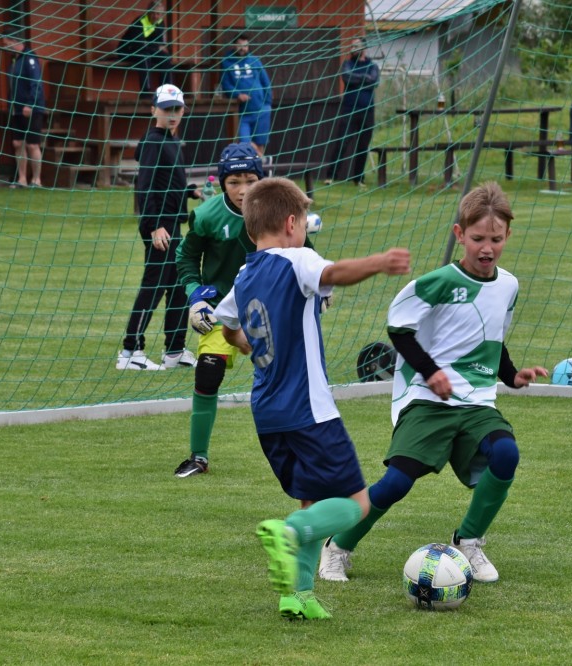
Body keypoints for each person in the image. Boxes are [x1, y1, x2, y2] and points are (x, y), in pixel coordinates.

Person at [319, 181, 548, 584]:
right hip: (426, 398)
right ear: (460, 234)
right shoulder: (436, 283)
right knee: (396, 483)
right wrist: (431, 372)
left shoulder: (508, 285)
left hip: (476, 402)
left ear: (508, 236)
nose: (487, 248)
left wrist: (512, 375)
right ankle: (337, 546)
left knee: (505, 453)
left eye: (496, 239)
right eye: (477, 238)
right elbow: (399, 329)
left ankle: (468, 540)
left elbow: (493, 337)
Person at [213, 177, 411, 620]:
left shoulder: (245, 275)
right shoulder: (297, 258)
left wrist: (247, 344)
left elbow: (228, 327)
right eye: (304, 224)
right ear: (291, 224)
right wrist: (378, 262)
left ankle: (297, 596)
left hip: (268, 412)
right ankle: (289, 533)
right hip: (308, 409)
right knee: (356, 505)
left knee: (312, 502)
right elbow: (332, 274)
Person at [172, 143, 263, 477]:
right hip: (220, 310)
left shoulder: (278, 211)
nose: (243, 190)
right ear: (223, 182)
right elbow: (185, 257)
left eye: (250, 181)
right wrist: (196, 297)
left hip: (268, 310)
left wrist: (322, 288)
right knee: (208, 373)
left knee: (285, 380)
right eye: (234, 182)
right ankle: (198, 457)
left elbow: (305, 253)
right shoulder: (207, 215)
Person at [117, 84, 200, 372]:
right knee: (153, 287)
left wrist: (189, 191)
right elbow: (146, 185)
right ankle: (130, 351)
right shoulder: (153, 142)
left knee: (178, 287)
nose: (172, 114)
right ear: (154, 110)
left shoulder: (171, 140)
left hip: (172, 224)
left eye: (177, 109)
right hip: (160, 227)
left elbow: (168, 182)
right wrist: (154, 226)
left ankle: (175, 350)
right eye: (167, 109)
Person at [324, 38, 379, 188]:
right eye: (352, 46)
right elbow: (347, 77)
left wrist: (358, 78)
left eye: (357, 46)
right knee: (342, 142)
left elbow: (374, 81)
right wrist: (365, 78)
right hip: (349, 110)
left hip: (367, 111)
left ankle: (358, 178)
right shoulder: (347, 64)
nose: (353, 48)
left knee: (363, 145)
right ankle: (331, 176)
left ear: (364, 48)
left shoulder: (372, 65)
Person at [1, 29, 46, 188]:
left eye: (6, 42)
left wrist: (30, 104)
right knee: (17, 143)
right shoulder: (15, 60)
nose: (4, 46)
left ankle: (36, 180)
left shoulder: (29, 57)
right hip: (17, 109)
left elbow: (36, 83)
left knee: (32, 144)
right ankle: (22, 179)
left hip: (32, 109)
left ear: (14, 41)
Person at [220, 35, 272, 158]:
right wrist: (237, 94)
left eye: (245, 46)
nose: (243, 48)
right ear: (234, 45)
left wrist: (267, 103)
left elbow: (266, 82)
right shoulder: (226, 62)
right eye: (240, 45)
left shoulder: (254, 60)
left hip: (261, 108)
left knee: (260, 141)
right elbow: (226, 85)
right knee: (244, 143)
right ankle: (263, 160)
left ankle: (260, 166)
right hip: (242, 112)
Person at [116, 1, 174, 97]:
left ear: (162, 15)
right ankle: (145, 92)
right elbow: (139, 44)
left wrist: (159, 48)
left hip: (148, 50)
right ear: (148, 12)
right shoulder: (140, 22)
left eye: (158, 14)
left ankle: (166, 91)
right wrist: (157, 47)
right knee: (144, 56)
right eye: (153, 13)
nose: (155, 16)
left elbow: (160, 44)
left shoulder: (160, 23)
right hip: (128, 51)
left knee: (165, 57)